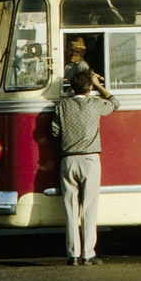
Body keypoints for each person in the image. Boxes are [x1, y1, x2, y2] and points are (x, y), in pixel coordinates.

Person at [49, 63, 117, 265]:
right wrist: (100, 86)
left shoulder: (62, 106)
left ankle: (73, 255)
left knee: (70, 209)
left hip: (68, 160)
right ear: (89, 89)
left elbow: (54, 132)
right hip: (90, 159)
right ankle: (88, 254)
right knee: (89, 207)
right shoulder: (95, 105)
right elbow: (115, 102)